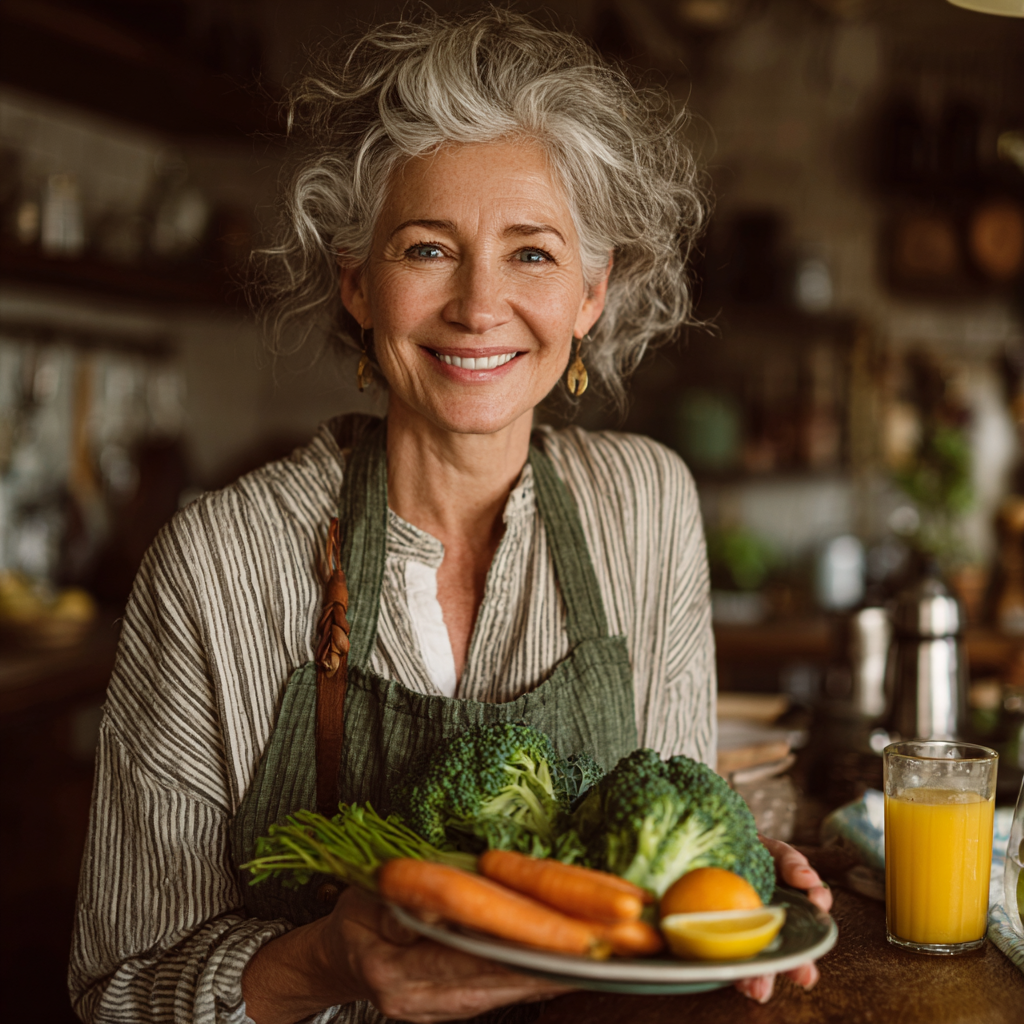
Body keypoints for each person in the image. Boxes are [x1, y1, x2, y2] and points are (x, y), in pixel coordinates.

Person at [70, 11, 831, 1024]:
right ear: (358, 282)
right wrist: (319, 964)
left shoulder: (648, 507)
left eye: (531, 254)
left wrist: (711, 875)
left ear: (592, 292)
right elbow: (114, 994)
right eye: (428, 248)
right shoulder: (217, 564)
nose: (479, 305)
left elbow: (656, 847)